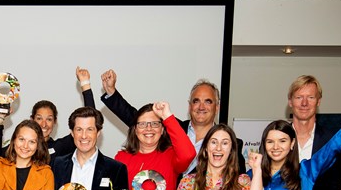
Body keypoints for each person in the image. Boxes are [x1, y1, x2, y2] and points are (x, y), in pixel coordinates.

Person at [99, 71, 245, 175]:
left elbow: (235, 185)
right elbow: (138, 119)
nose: (201, 107)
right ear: (189, 106)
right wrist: (112, 92)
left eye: (208, 101)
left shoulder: (231, 144)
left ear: (217, 107)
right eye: (196, 101)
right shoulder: (174, 128)